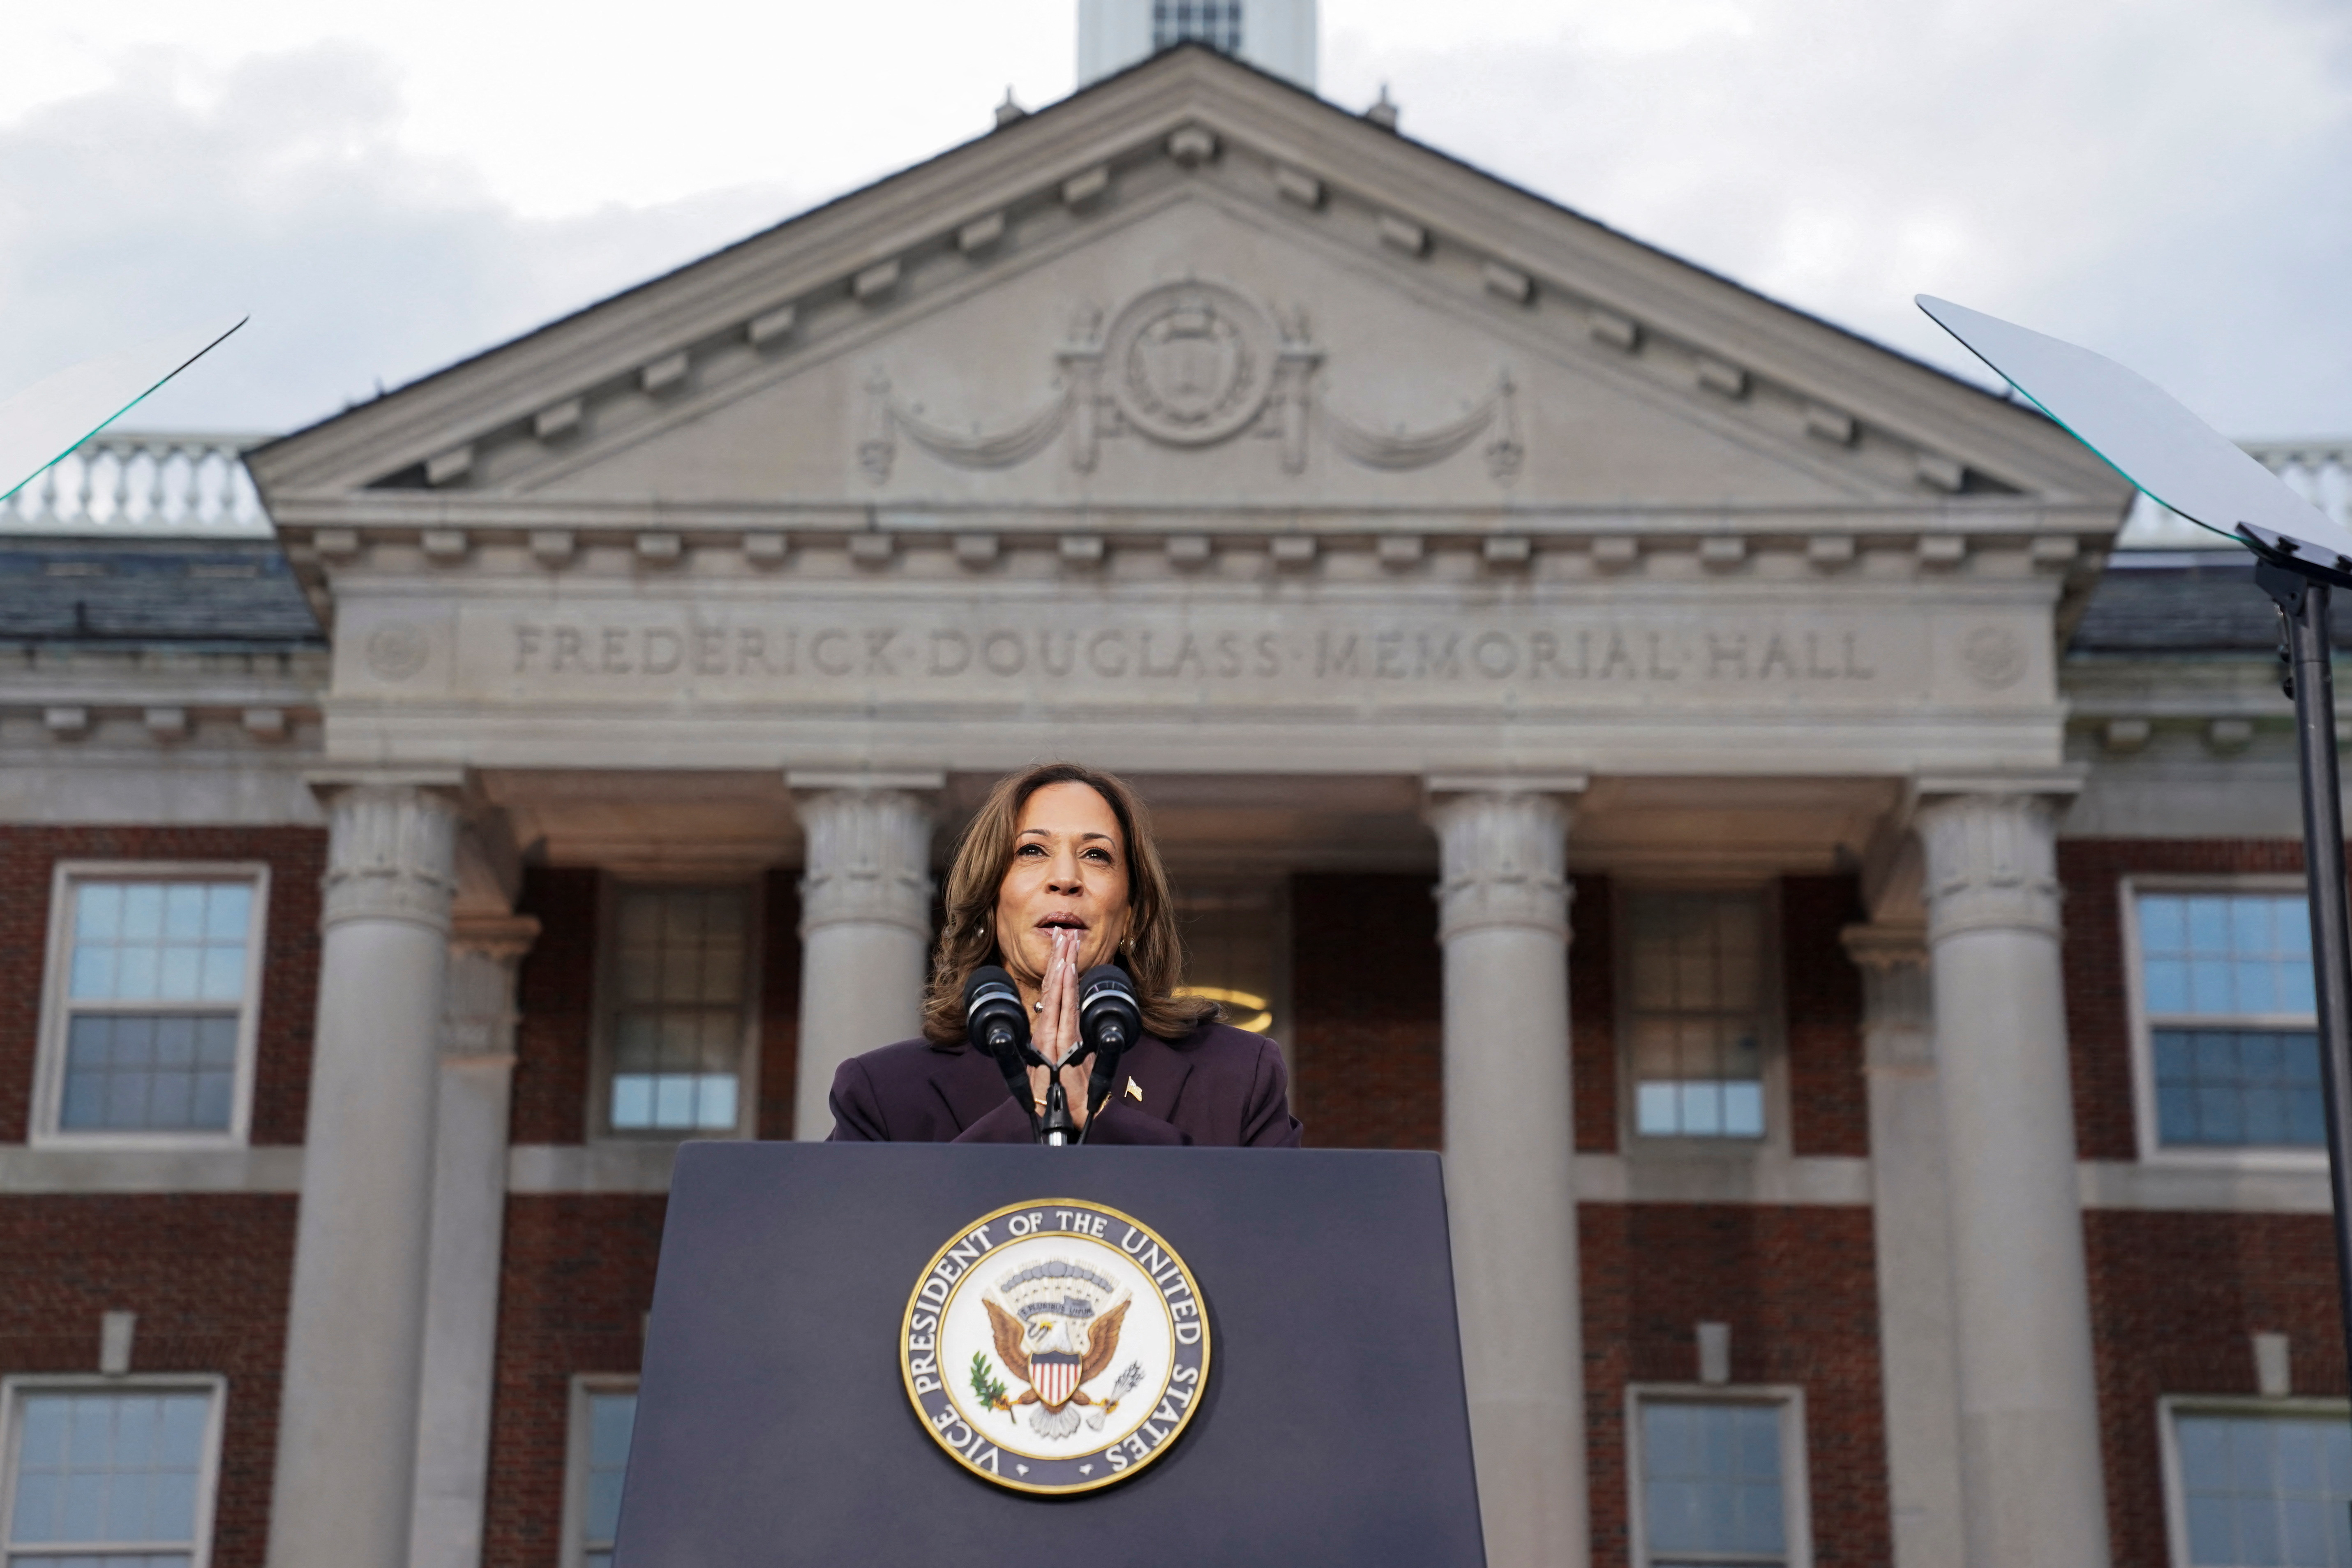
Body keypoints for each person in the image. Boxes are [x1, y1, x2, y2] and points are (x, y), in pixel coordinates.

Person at [826, 761, 1303, 1146]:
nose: (1066, 878)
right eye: (1032, 850)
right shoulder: (882, 1092)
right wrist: (1027, 1117)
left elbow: (1275, 1244)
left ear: (1132, 914)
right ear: (989, 904)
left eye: (1096, 855)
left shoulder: (1237, 1075)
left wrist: (1102, 1121)